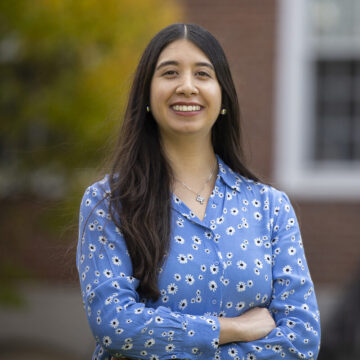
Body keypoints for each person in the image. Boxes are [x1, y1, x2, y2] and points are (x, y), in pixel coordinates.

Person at [76, 23, 321, 360]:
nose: (187, 86)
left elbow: (302, 339)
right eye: (170, 73)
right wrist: (229, 329)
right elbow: (114, 323)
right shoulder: (109, 203)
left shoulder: (270, 207)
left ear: (223, 97)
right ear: (146, 96)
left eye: (203, 74)